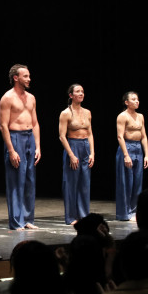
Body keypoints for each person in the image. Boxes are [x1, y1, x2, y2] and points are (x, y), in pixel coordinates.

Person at [0, 63, 41, 230]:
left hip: (30, 137)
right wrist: (11, 150)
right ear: (16, 78)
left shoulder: (31, 98)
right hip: (15, 138)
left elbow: (35, 122)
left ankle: (28, 218)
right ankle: (17, 221)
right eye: (25, 76)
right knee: (16, 181)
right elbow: (3, 125)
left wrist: (38, 146)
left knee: (30, 179)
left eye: (29, 76)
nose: (29, 79)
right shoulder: (7, 98)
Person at [59, 83, 95, 225]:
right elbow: (62, 136)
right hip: (72, 146)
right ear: (71, 95)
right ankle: (71, 217)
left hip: (85, 146)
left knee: (85, 183)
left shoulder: (87, 112)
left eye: (82, 91)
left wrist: (92, 152)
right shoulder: (66, 113)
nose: (81, 94)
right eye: (78, 91)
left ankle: (83, 215)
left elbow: (90, 133)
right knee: (71, 183)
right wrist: (71, 155)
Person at [115, 91, 148, 221]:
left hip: (138, 149)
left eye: (137, 99)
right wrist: (126, 155)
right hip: (127, 148)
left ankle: (134, 211)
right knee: (126, 182)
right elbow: (120, 136)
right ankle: (124, 213)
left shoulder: (140, 116)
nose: (137, 101)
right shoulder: (122, 116)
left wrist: (146, 155)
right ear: (126, 102)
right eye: (133, 99)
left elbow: (144, 136)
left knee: (137, 183)